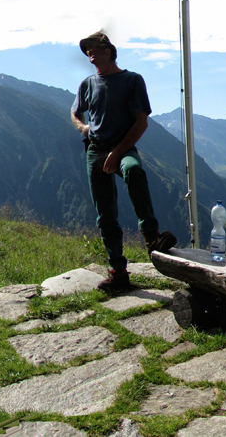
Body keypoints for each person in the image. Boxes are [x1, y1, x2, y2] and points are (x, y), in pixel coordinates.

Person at [71, 31, 175, 292]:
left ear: (109, 51)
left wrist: (117, 153)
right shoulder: (87, 84)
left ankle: (151, 236)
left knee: (134, 170)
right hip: (95, 151)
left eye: (94, 48)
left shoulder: (132, 80)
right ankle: (118, 273)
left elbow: (141, 122)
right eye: (87, 50)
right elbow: (74, 111)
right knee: (105, 216)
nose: (89, 53)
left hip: (122, 148)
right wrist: (83, 128)